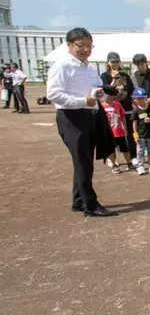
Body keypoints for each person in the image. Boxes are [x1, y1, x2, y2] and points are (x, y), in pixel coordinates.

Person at [46, 27, 117, 217]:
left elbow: (95, 89)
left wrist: (100, 94)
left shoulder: (88, 67)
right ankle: (90, 205)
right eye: (81, 45)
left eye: (89, 45)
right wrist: (82, 101)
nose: (86, 49)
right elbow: (53, 94)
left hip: (89, 116)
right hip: (72, 118)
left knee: (83, 161)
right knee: (84, 162)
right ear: (69, 45)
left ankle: (79, 201)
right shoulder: (62, 66)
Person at [101, 52, 136, 158]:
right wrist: (114, 80)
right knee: (112, 133)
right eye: (112, 61)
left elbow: (131, 90)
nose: (115, 63)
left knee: (129, 132)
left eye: (117, 61)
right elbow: (105, 90)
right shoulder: (104, 75)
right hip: (112, 108)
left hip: (126, 107)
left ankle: (133, 156)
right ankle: (112, 159)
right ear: (108, 63)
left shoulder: (125, 75)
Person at [101, 89, 134, 173]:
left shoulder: (118, 104)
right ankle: (114, 165)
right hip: (109, 132)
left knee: (125, 148)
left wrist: (125, 129)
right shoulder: (102, 106)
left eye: (112, 95)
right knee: (111, 149)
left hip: (119, 131)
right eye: (109, 95)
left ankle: (129, 163)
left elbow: (123, 117)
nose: (112, 97)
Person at [131, 88, 150, 175]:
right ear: (135, 100)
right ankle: (140, 167)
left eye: (142, 98)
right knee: (140, 151)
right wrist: (135, 135)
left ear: (146, 98)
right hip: (141, 135)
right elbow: (134, 123)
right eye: (138, 98)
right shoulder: (136, 110)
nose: (140, 100)